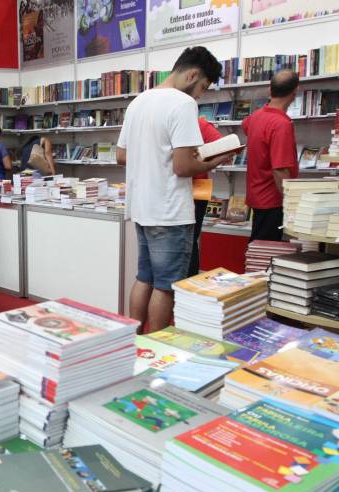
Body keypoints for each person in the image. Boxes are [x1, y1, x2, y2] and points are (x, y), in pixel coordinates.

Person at [116, 46, 234, 333]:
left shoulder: (139, 102)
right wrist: (217, 158)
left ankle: (135, 343)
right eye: (202, 87)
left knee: (144, 277)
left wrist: (153, 159)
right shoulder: (182, 104)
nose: (199, 95)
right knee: (167, 286)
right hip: (170, 211)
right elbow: (183, 166)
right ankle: (155, 348)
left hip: (142, 208)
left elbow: (121, 156)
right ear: (192, 74)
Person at [242, 70, 300, 242]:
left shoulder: (255, 117)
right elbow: (280, 170)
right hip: (273, 200)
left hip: (256, 196)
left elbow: (246, 126)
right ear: (295, 92)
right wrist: (291, 204)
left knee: (257, 249)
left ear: (270, 90)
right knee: (265, 253)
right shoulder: (281, 124)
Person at [188, 117, 222, 276]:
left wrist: (201, 161)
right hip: (198, 186)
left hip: (196, 187)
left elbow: (223, 148)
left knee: (189, 240)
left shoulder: (199, 123)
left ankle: (188, 280)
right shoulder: (200, 123)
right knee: (191, 240)